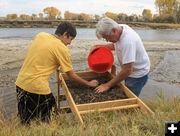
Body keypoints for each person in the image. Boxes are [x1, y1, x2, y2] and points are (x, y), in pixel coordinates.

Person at [15, 21, 98, 124]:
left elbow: (41, 56)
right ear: (65, 34)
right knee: (52, 119)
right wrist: (89, 83)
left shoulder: (41, 35)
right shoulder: (62, 49)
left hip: (20, 83)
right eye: (70, 39)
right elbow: (71, 76)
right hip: (37, 88)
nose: (70, 43)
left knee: (25, 122)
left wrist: (55, 64)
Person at [94, 17, 150, 97]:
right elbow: (117, 45)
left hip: (137, 75)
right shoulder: (119, 28)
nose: (107, 40)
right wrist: (101, 47)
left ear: (114, 30)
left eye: (107, 37)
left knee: (130, 99)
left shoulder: (128, 41)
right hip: (131, 71)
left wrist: (107, 85)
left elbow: (128, 70)